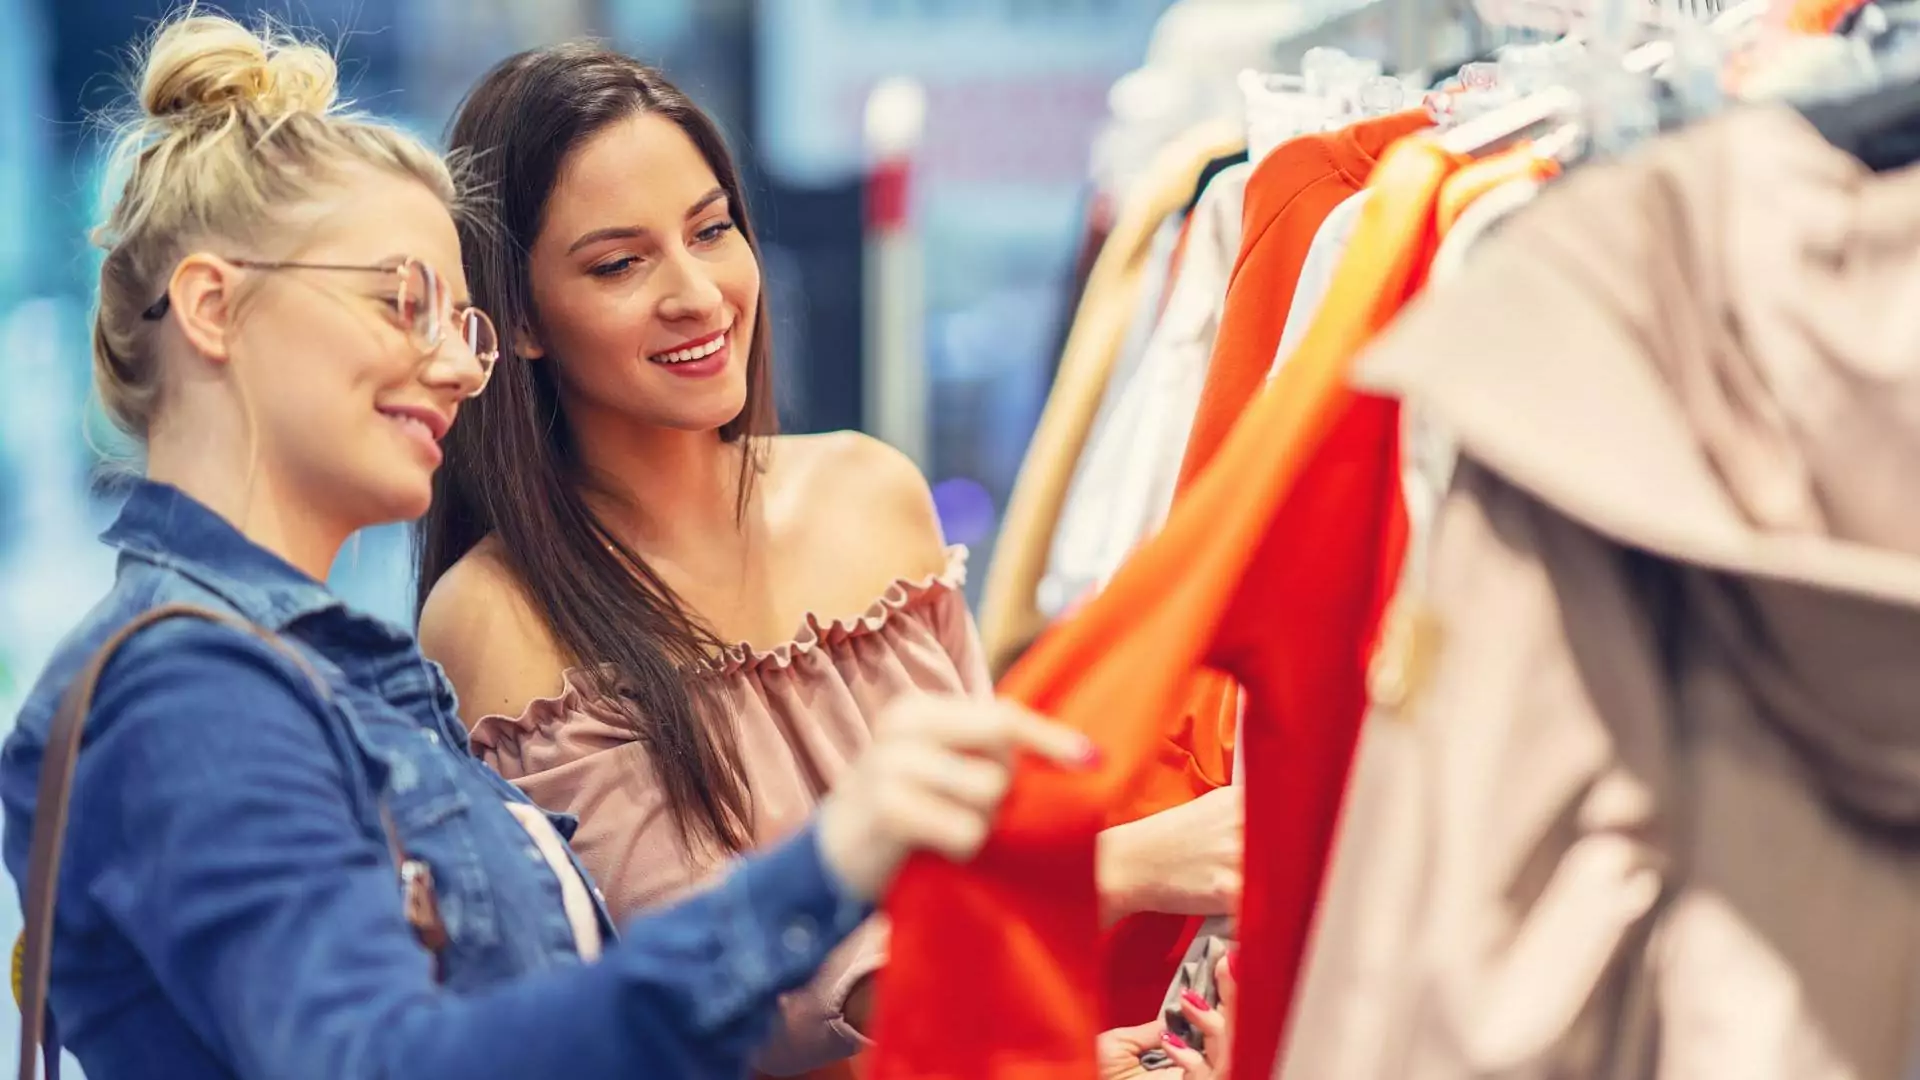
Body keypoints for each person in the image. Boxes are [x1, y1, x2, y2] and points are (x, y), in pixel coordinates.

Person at [0, 14, 1101, 1080]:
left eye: (458, 320)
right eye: (403, 304)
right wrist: (830, 869)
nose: (452, 366)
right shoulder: (193, 689)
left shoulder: (328, 678)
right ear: (211, 308)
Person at [413, 43, 1244, 1076]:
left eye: (712, 230)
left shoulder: (870, 492)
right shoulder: (494, 612)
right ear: (523, 318)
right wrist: (1106, 867)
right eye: (620, 264)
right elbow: (734, 1000)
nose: (697, 294)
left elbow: (976, 895)